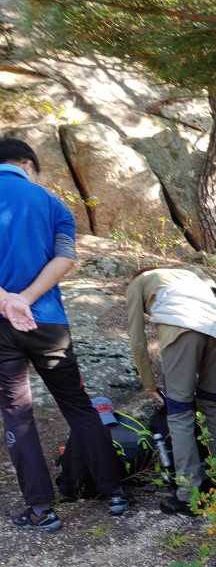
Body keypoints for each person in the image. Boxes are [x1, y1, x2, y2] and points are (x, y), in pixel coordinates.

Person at [0, 137, 129, 532]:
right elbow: (66, 257)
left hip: (1, 326)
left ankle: (41, 509)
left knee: (16, 415)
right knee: (78, 406)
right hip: (49, 321)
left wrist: (7, 301)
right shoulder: (52, 203)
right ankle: (115, 494)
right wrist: (27, 298)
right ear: (28, 164)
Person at [125, 265, 216, 515]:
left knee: (179, 411)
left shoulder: (138, 283)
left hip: (182, 327)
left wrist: (148, 383)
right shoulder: (190, 275)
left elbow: (137, 338)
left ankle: (189, 494)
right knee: (211, 403)